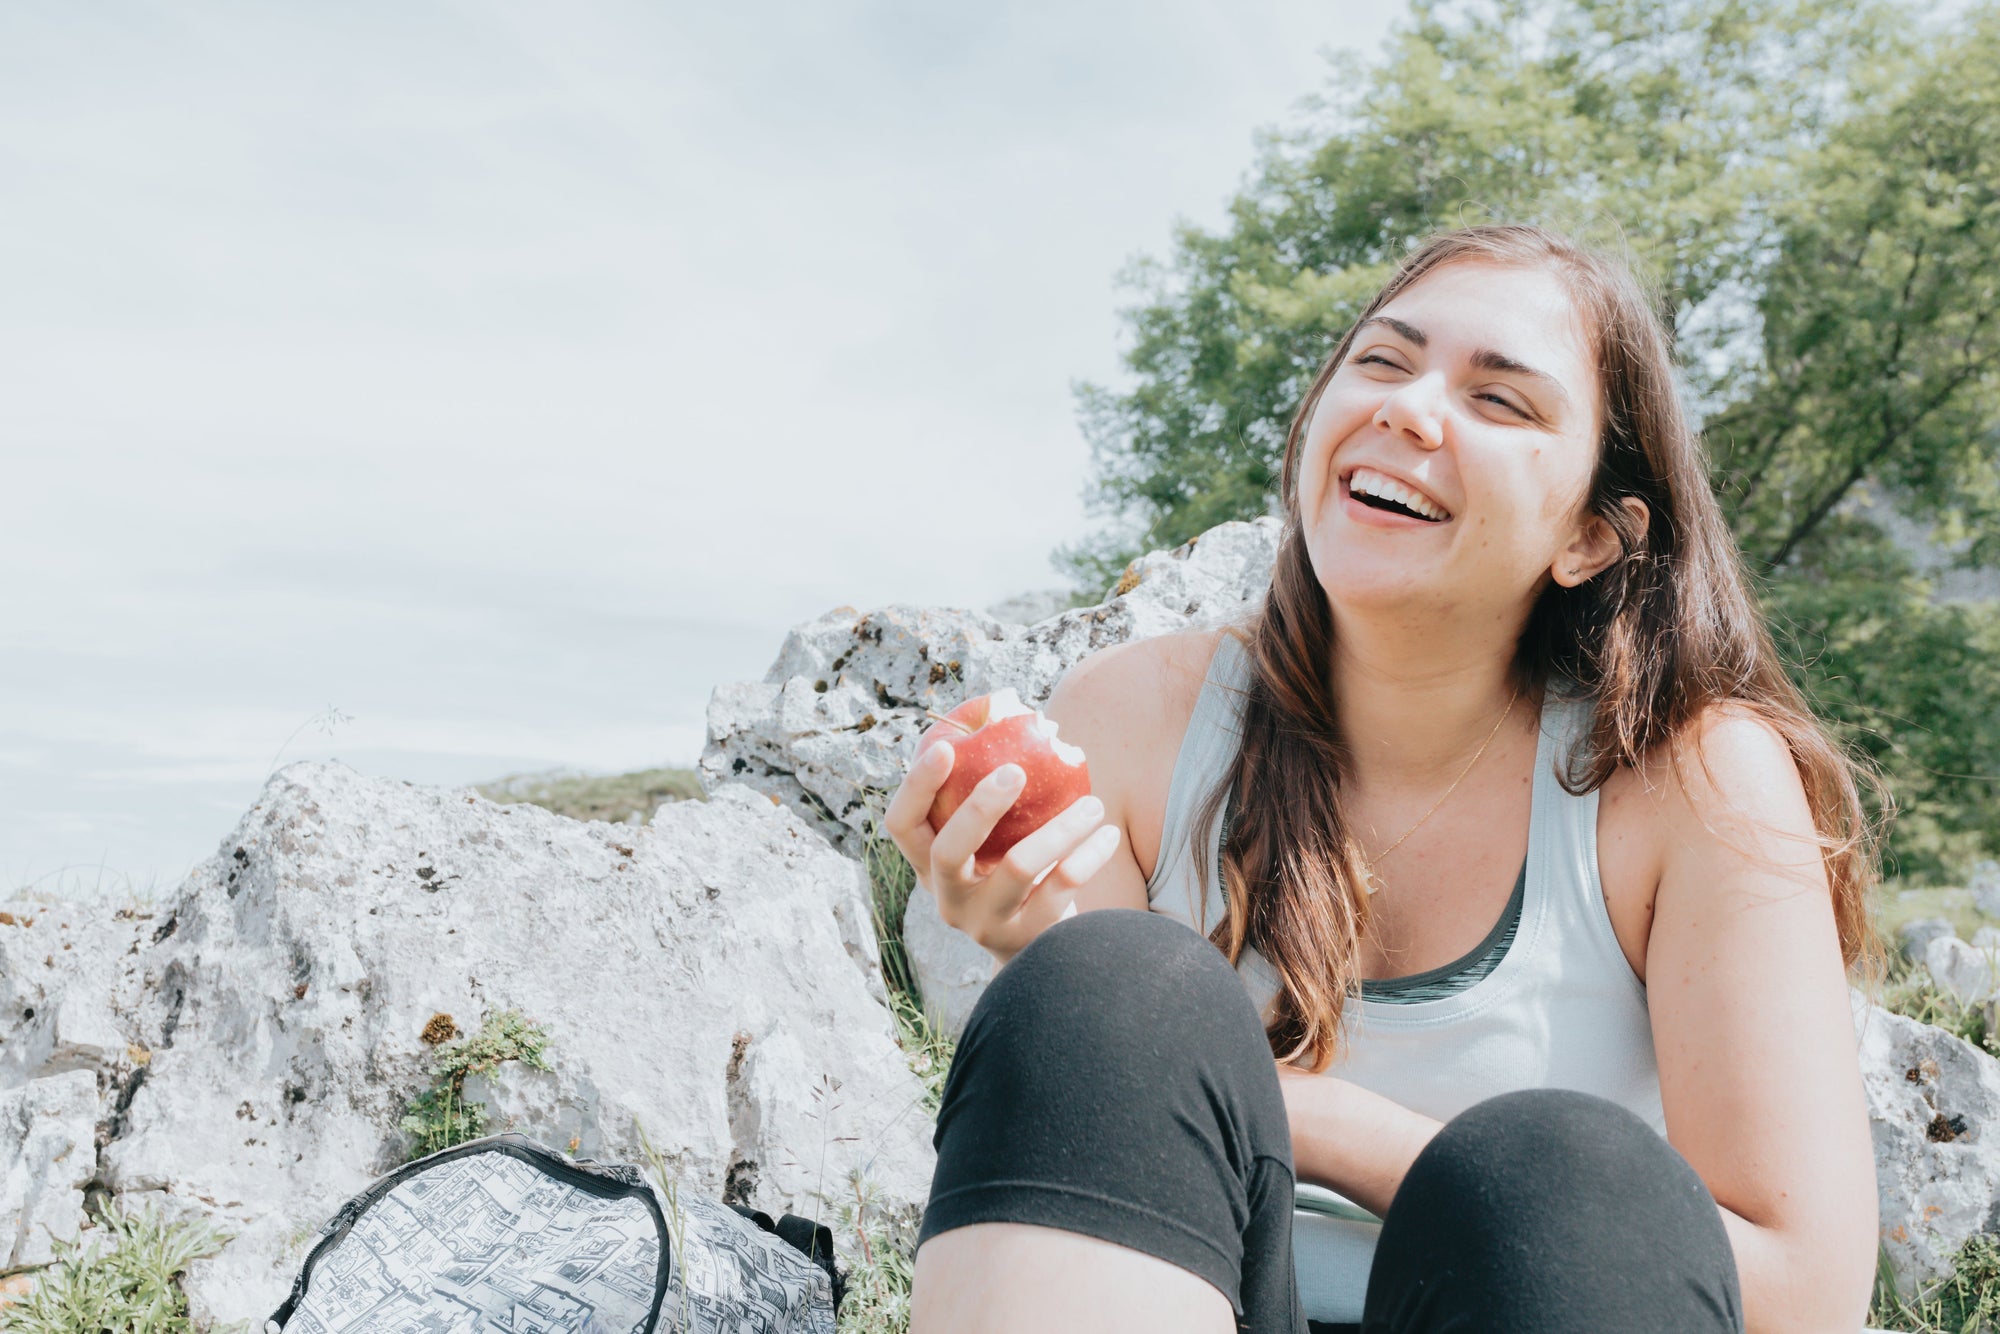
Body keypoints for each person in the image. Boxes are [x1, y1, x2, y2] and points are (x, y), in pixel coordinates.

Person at [883, 223, 1883, 1334]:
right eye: (1381, 360)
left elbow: (1803, 1290)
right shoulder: (1133, 714)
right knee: (1112, 986)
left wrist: (1328, 1123)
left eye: (1499, 400)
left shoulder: (1685, 778)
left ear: (1592, 538)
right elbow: (1136, 1116)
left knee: (1568, 1176)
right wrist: (1043, 949)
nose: (1408, 407)